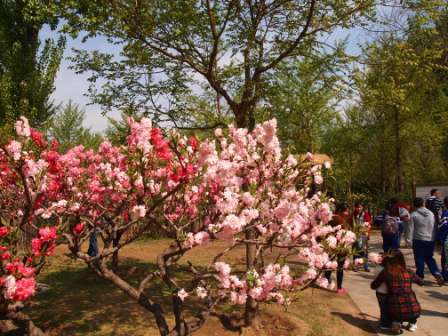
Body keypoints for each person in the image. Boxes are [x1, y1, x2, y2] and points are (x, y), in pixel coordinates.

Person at [371, 250, 421, 334]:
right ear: (402, 259)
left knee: (391, 309)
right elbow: (421, 282)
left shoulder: (386, 272)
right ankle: (412, 324)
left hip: (395, 307)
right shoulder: (408, 271)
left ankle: (393, 323)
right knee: (410, 302)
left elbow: (374, 286)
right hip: (414, 308)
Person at [408, 197, 445, 285]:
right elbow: (434, 226)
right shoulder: (431, 214)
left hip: (418, 239)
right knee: (429, 258)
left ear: (414, 205)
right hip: (430, 239)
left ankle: (420, 277)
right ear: (423, 204)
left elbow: (410, 229)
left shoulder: (413, 215)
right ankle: (436, 273)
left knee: (419, 258)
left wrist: (409, 241)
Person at [325, 203, 350, 294]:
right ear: (340, 211)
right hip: (340, 246)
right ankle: (339, 287)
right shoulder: (339, 219)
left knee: (330, 263)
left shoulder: (332, 218)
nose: (347, 213)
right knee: (340, 266)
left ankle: (327, 280)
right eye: (345, 211)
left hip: (332, 244)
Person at [351, 202, 371, 272]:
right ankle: (356, 265)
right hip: (355, 234)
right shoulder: (353, 214)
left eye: (360, 207)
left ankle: (366, 265)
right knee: (356, 251)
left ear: (362, 207)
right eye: (357, 207)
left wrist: (367, 233)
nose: (359, 208)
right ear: (355, 208)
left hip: (363, 234)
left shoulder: (365, 214)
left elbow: (368, 224)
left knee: (365, 251)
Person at [438, 197, 448, 281]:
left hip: (447, 239)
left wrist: (440, 240)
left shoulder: (445, 214)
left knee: (445, 259)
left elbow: (442, 227)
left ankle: (446, 275)